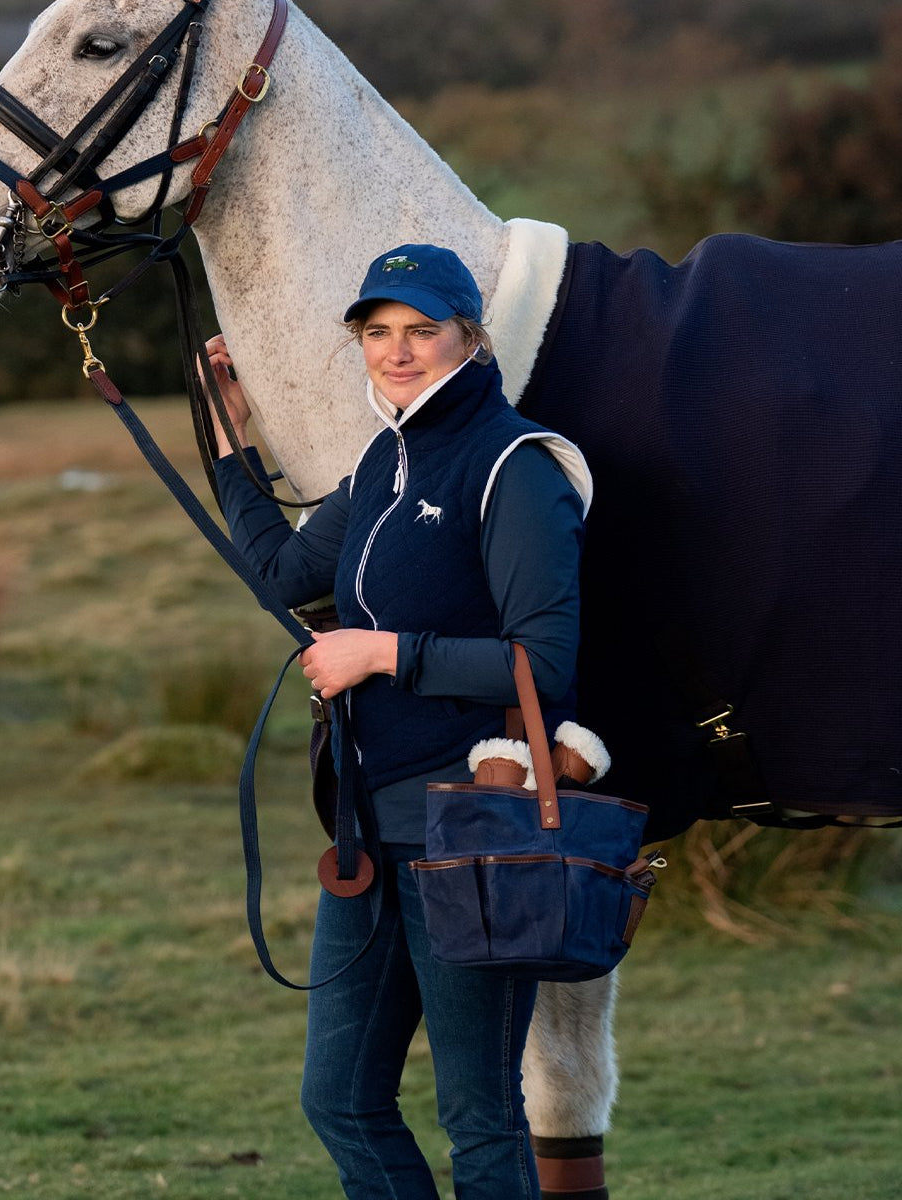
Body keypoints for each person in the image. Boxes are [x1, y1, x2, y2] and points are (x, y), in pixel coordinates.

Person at [206, 244, 591, 1200]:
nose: (398, 351)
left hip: (469, 835)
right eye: (378, 333)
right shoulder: (387, 458)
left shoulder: (516, 466)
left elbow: (540, 665)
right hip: (367, 832)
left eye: (423, 330)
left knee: (484, 1122)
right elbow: (285, 576)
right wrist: (226, 440)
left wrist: (381, 654)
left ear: (472, 337)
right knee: (337, 1098)